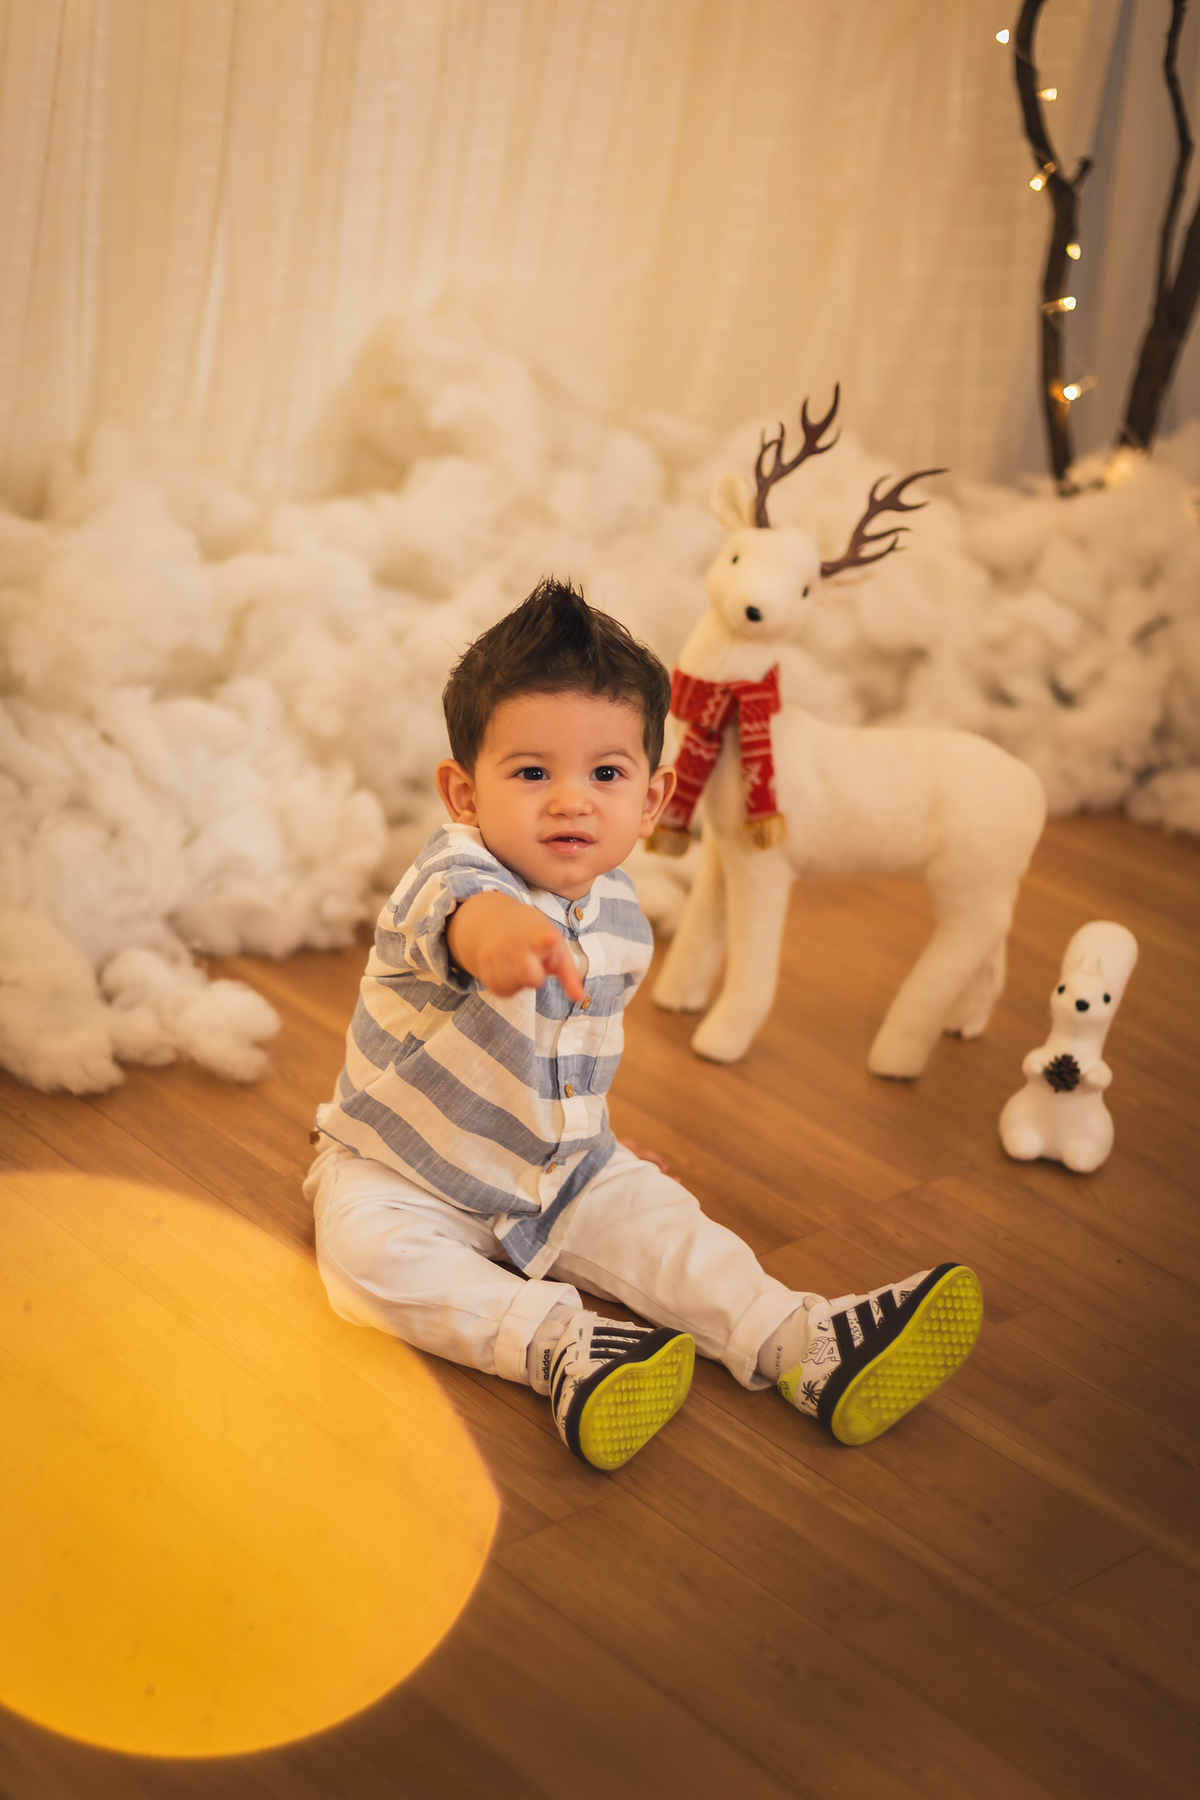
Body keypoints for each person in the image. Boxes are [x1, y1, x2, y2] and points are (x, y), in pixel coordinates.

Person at [305, 579, 983, 1470]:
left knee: (667, 1226)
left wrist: (593, 1139)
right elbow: (469, 916)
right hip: (402, 1171)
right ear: (463, 794)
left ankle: (801, 1338)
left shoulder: (622, 914)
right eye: (532, 773)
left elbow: (569, 1057)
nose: (572, 800)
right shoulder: (451, 875)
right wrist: (502, 939)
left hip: (558, 1170)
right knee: (363, 1260)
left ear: (654, 798)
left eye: (606, 775)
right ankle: (563, 1344)